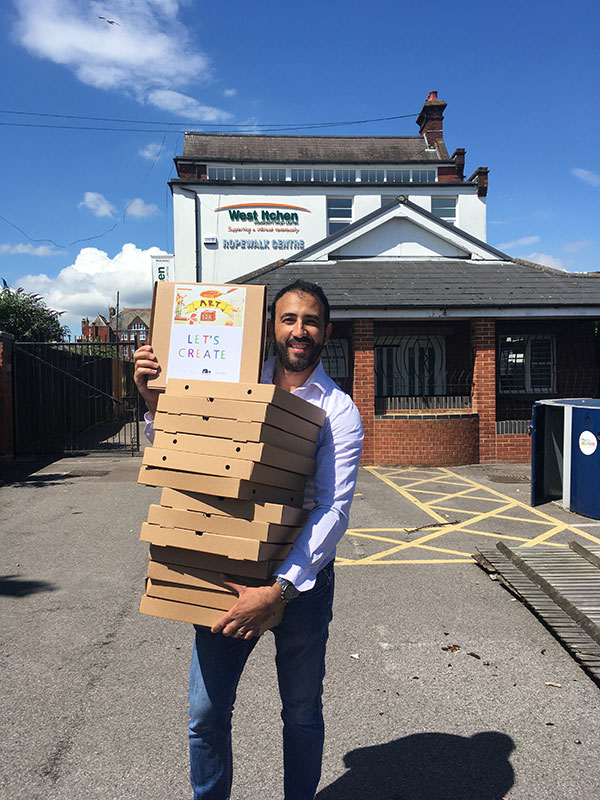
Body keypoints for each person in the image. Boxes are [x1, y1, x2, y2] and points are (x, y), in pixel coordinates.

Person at [133, 279, 363, 800]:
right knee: (205, 713)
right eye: (288, 319)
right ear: (270, 327)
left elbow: (333, 509)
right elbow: (187, 455)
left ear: (325, 331)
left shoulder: (339, 411)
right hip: (227, 565)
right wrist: (154, 404)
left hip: (299, 584)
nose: (298, 330)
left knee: (301, 712)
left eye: (309, 321)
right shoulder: (233, 383)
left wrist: (279, 590)